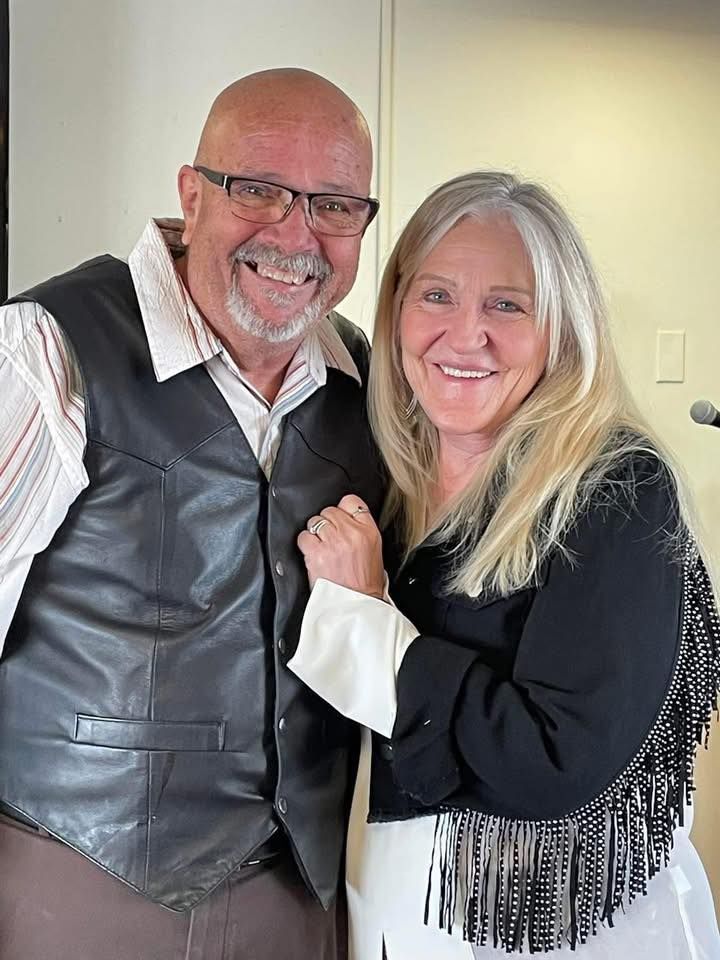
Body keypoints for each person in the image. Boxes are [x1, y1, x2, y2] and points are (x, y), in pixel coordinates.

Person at [0, 68, 383, 960]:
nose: (295, 235)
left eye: (333, 205)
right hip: (77, 883)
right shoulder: (45, 349)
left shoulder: (361, 376)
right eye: (258, 190)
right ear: (191, 193)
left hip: (297, 889)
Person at [288, 171, 720, 959]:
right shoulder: (395, 477)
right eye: (437, 296)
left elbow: (556, 756)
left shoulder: (615, 486)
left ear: (564, 327)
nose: (466, 335)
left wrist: (366, 621)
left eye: (507, 305)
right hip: (407, 906)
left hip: (578, 929)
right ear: (395, 311)